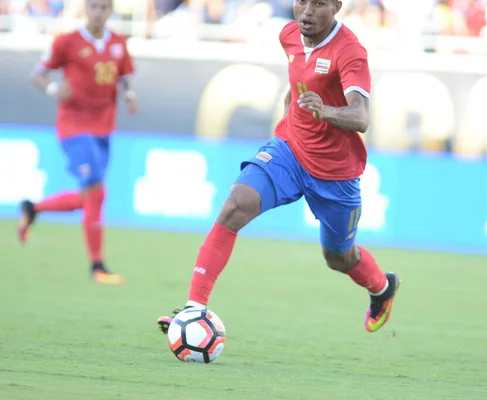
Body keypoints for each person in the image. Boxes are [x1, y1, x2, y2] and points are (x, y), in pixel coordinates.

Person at [157, 0, 400, 334]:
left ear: (337, 7)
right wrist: (290, 121)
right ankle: (192, 310)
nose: (308, 11)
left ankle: (382, 288)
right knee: (235, 205)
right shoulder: (289, 34)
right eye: (302, 2)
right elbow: (298, 84)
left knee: (338, 258)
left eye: (319, 4)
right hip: (290, 151)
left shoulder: (350, 52)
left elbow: (360, 117)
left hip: (335, 174)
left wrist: (324, 111)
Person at [19, 0, 139, 284]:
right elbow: (38, 73)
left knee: (90, 198)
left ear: (110, 11)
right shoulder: (66, 42)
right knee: (96, 193)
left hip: (104, 127)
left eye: (103, 7)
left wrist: (129, 94)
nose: (98, 12)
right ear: (86, 9)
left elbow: (124, 78)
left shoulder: (119, 43)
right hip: (74, 126)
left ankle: (33, 209)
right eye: (94, 6)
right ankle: (97, 266)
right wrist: (52, 88)